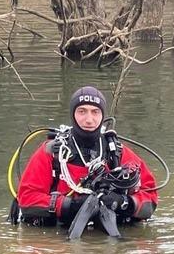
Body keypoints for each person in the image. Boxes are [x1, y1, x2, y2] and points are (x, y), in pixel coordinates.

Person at [16, 86, 158, 229]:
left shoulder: (116, 153)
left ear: (102, 115)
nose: (89, 120)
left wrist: (123, 203)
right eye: (82, 111)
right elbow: (27, 199)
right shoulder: (52, 152)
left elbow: (150, 198)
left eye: (95, 112)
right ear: (73, 114)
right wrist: (68, 205)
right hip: (60, 233)